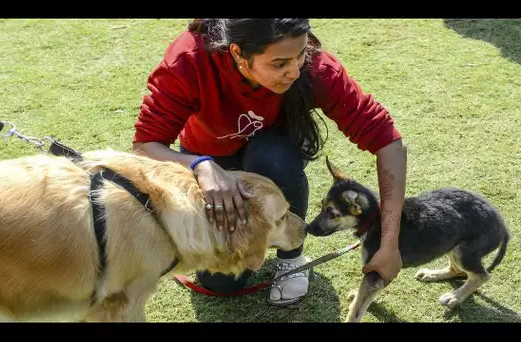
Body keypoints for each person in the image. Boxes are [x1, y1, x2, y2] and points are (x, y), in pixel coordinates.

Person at [131, 19, 407, 307]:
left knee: (273, 158)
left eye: (300, 54)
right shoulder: (189, 60)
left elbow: (389, 142)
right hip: (209, 158)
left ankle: (291, 257)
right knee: (221, 282)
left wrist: (389, 242)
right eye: (279, 64)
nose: (295, 70)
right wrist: (199, 165)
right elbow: (144, 147)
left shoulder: (315, 67)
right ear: (238, 53)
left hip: (273, 151)